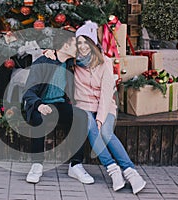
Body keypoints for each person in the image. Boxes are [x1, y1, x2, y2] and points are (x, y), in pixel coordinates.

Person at [44, 21, 146, 194]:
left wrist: (100, 117)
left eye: (86, 42)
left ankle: (131, 173)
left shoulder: (105, 62)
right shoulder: (73, 62)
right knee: (90, 126)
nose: (83, 46)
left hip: (105, 106)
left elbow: (107, 94)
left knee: (105, 132)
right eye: (80, 42)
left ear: (93, 43)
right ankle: (113, 171)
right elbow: (59, 54)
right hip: (83, 106)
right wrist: (48, 52)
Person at [22, 30, 94, 184]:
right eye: (76, 44)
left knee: (80, 117)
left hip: (60, 104)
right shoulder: (42, 62)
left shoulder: (70, 63)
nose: (79, 48)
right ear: (65, 45)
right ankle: (37, 164)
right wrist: (39, 105)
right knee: (37, 118)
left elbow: (94, 57)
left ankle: (75, 165)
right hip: (41, 103)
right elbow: (28, 91)